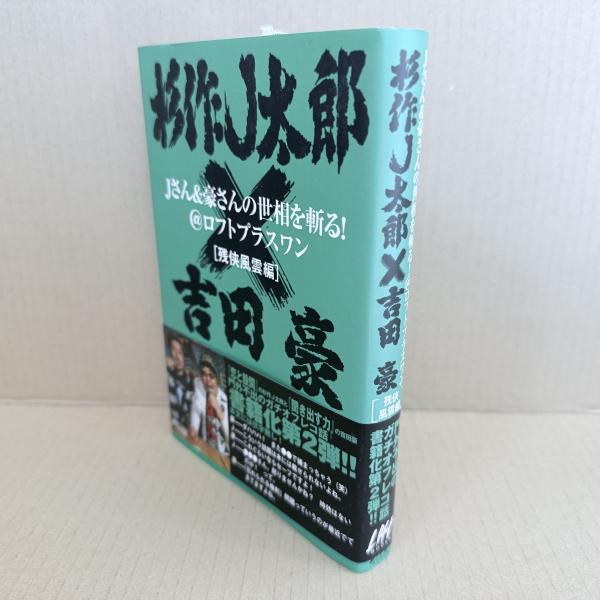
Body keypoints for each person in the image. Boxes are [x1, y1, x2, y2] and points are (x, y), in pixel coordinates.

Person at [188, 357, 229, 456]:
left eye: (211, 376)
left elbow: (231, 439)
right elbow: (195, 407)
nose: (207, 380)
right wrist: (194, 426)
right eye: (204, 374)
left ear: (218, 379)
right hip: (205, 446)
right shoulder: (198, 385)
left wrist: (218, 411)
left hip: (223, 454)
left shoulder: (225, 401)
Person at [166, 335, 194, 431]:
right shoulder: (168, 375)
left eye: (180, 352)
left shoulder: (191, 382)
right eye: (173, 350)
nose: (177, 356)